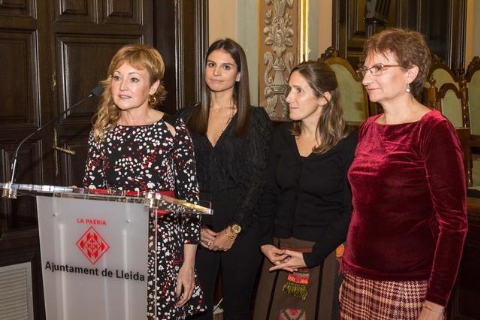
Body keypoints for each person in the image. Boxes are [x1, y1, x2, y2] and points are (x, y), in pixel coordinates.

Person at [340, 28, 468, 320]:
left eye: (379, 69)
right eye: (366, 69)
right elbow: (361, 210)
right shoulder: (369, 127)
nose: (365, 78)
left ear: (411, 72)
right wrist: (346, 270)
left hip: (406, 285)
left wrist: (434, 304)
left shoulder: (433, 129)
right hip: (356, 279)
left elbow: (453, 225)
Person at [82, 43, 205, 319]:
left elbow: (189, 203)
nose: (122, 86)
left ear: (153, 87)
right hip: (114, 251)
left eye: (134, 79)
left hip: (162, 253)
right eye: (117, 77)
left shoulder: (173, 132)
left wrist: (188, 264)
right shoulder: (102, 134)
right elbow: (89, 202)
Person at [253, 60, 357, 320]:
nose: (289, 98)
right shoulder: (282, 137)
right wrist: (265, 242)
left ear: (324, 98)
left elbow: (350, 209)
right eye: (289, 89)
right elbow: (268, 194)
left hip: (324, 252)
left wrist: (313, 256)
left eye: (299, 90)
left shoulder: (348, 145)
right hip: (278, 250)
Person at [177, 38, 272, 320]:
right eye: (211, 64)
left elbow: (258, 179)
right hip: (197, 221)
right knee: (196, 308)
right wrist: (196, 227)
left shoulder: (255, 118)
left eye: (226, 66)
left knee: (237, 308)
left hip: (242, 220)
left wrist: (234, 229)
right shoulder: (184, 117)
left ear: (239, 74)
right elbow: (180, 180)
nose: (216, 72)